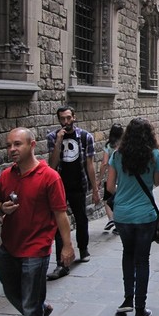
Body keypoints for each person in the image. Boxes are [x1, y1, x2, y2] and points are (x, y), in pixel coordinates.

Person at [0, 127, 75, 316]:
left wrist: (67, 246)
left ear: (32, 145)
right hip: (9, 247)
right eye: (9, 145)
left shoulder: (50, 177)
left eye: (17, 144)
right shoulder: (6, 175)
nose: (12, 149)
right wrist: (2, 208)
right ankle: (38, 311)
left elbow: (60, 214)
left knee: (30, 304)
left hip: (36, 250)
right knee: (13, 293)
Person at [106, 118, 159, 316]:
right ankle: (140, 308)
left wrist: (125, 190)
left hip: (122, 214)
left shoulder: (117, 155)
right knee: (142, 259)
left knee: (127, 254)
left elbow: (110, 187)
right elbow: (157, 182)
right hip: (145, 215)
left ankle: (127, 299)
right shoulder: (154, 155)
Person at [47, 106, 99, 279]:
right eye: (62, 119)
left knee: (81, 217)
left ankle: (83, 248)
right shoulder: (53, 137)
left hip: (79, 184)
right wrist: (58, 143)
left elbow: (90, 164)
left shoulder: (85, 137)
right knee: (59, 223)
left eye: (68, 118)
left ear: (74, 118)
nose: (66, 122)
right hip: (59, 186)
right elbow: (52, 165)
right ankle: (62, 263)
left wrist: (95, 189)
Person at [98, 123, 123, 234]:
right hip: (123, 176)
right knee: (119, 199)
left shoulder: (109, 146)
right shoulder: (125, 145)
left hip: (112, 176)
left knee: (107, 199)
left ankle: (111, 219)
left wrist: (99, 178)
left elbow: (104, 163)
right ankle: (118, 222)